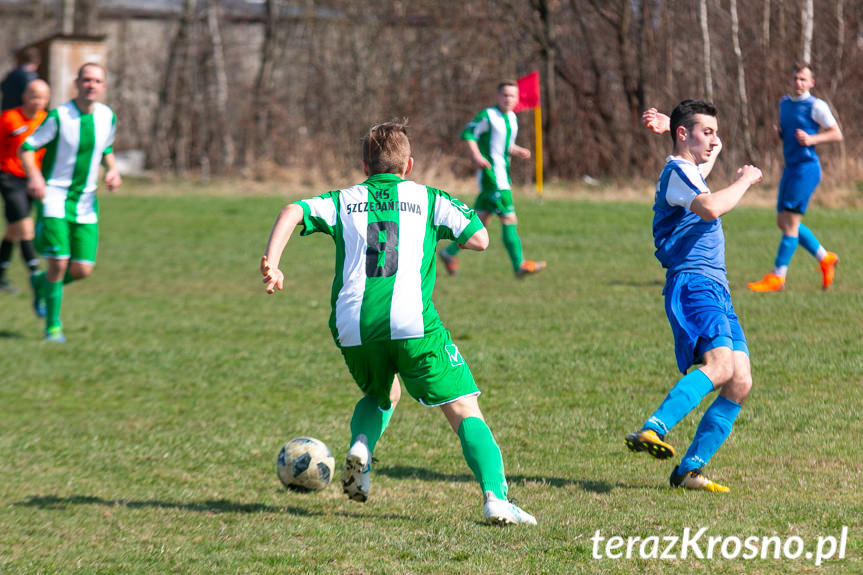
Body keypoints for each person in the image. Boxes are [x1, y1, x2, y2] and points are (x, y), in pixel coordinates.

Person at [261, 121, 536, 525]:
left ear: (363, 165)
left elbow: (292, 210)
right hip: (413, 323)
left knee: (383, 394)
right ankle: (495, 498)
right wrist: (441, 233)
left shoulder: (344, 199)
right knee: (463, 408)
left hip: (353, 323)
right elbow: (480, 240)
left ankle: (361, 444)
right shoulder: (429, 198)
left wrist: (275, 263)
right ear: (408, 165)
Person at [625, 100, 762, 493]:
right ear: (684, 136)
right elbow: (711, 207)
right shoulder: (679, 172)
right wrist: (745, 180)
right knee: (719, 366)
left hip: (717, 287)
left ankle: (689, 469)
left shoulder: (692, 169)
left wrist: (675, 125)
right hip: (693, 283)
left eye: (715, 132)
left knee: (740, 380)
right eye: (706, 131)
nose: (715, 141)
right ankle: (653, 428)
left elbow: (711, 148)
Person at [20, 63, 121, 343]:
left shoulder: (107, 116)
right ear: (76, 83)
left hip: (86, 202)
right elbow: (27, 147)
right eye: (86, 80)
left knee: (82, 269)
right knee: (59, 263)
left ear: (103, 86)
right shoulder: (58, 116)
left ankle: (41, 284)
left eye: (97, 80)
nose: (91, 85)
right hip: (54, 197)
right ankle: (53, 326)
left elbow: (106, 148)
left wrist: (112, 170)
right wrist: (36, 178)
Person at [748, 62, 843, 292]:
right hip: (790, 168)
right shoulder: (784, 104)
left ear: (811, 82)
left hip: (806, 169)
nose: (799, 83)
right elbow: (789, 133)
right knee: (784, 222)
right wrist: (780, 134)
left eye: (803, 79)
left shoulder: (816, 105)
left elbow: (836, 134)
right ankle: (824, 257)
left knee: (790, 224)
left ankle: (778, 276)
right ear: (789, 80)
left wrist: (812, 139)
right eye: (795, 79)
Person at [438, 81, 545, 278]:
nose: (508, 99)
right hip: (492, 176)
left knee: (481, 219)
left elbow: (504, 145)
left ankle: (449, 252)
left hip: (502, 174)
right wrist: (477, 156)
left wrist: (517, 150)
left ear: (517, 99)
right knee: (509, 218)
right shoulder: (488, 115)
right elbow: (469, 134)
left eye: (512, 96)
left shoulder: (512, 117)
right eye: (504, 95)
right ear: (498, 96)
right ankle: (519, 265)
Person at [0, 80, 49, 298]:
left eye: (41, 97)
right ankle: (36, 276)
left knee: (13, 230)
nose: (37, 101)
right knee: (25, 227)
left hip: (33, 180)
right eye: (33, 96)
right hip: (9, 178)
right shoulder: (9, 118)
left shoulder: (47, 121)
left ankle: (0, 276)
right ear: (24, 96)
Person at [1, 47, 41, 112]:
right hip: (21, 116)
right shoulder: (31, 76)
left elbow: (2, 87)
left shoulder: (12, 74)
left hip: (7, 112)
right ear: (38, 62)